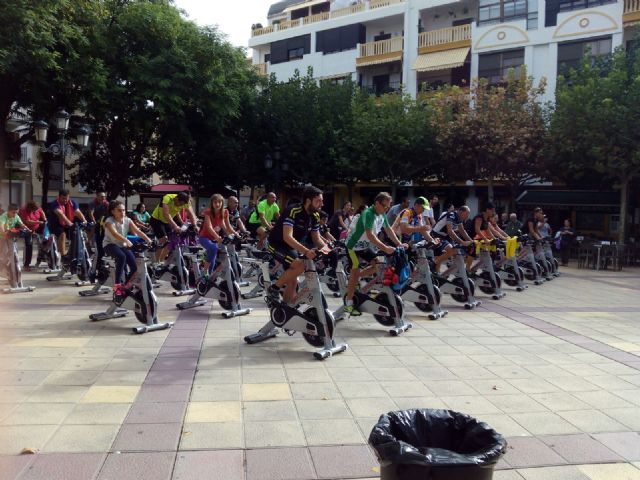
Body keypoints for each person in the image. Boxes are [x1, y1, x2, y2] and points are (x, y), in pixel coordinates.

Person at [344, 192, 407, 316]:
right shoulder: (368, 214)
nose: (387, 209)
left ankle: (355, 278)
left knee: (378, 265)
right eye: (385, 206)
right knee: (355, 269)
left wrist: (399, 244)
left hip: (365, 246)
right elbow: (370, 235)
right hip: (353, 246)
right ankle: (348, 303)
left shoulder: (381, 214)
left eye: (388, 207)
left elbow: (388, 230)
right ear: (377, 203)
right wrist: (385, 247)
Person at [266, 186, 330, 305]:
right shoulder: (293, 211)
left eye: (322, 201)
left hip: (291, 247)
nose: (322, 204)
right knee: (300, 265)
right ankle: (274, 289)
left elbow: (316, 238)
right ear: (308, 200)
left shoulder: (315, 216)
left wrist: (329, 250)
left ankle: (286, 308)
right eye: (318, 201)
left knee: (293, 281)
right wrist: (306, 251)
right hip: (277, 244)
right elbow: (287, 237)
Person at [103, 200, 151, 288]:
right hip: (109, 245)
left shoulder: (127, 220)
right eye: (119, 210)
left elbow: (138, 231)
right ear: (113, 211)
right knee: (122, 257)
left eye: (124, 210)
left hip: (122, 245)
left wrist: (148, 240)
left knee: (134, 267)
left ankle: (125, 286)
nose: (122, 212)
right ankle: (117, 285)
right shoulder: (109, 221)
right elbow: (114, 234)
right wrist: (126, 240)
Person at [150, 191, 198, 262]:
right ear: (176, 198)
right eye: (180, 204)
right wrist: (175, 226)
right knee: (164, 240)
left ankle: (161, 261)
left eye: (182, 205)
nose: (179, 206)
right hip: (157, 220)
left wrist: (194, 225)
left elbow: (191, 214)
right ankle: (156, 262)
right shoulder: (168, 198)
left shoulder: (185, 202)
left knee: (171, 241)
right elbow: (166, 214)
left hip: (166, 222)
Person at [199, 194, 234, 276]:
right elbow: (209, 227)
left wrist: (234, 234)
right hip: (204, 237)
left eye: (219, 202)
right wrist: (217, 237)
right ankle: (205, 272)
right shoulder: (208, 212)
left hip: (214, 239)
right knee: (213, 248)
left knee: (213, 260)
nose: (217, 204)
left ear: (222, 203)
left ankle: (208, 277)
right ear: (212, 203)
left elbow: (226, 226)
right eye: (215, 202)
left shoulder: (225, 212)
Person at [430, 205, 474, 271]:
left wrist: (471, 241)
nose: (467, 216)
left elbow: (462, 230)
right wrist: (462, 242)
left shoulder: (458, 218)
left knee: (440, 258)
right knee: (452, 251)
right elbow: (450, 231)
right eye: (466, 214)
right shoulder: (451, 215)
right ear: (461, 212)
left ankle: (438, 272)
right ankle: (433, 264)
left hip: (444, 236)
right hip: (436, 235)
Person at [47, 189, 88, 257]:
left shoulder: (72, 203)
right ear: (59, 197)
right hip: (55, 225)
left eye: (67, 198)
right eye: (63, 198)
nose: (65, 200)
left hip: (67, 225)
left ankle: (73, 253)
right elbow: (61, 214)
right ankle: (63, 256)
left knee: (77, 234)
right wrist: (69, 223)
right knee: (62, 234)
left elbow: (78, 212)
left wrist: (84, 220)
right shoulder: (55, 203)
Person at [19, 201, 47, 270]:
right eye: (33, 210)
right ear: (29, 208)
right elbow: (27, 221)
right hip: (27, 229)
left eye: (36, 210)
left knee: (44, 242)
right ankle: (26, 265)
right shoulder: (23, 210)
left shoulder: (37, 208)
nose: (35, 211)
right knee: (29, 245)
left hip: (37, 227)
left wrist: (45, 219)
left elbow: (41, 212)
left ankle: (42, 259)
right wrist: (38, 222)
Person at [88, 192, 109, 263]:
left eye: (104, 196)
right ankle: (88, 245)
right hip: (92, 222)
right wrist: (94, 221)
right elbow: (91, 213)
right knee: (93, 228)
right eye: (102, 196)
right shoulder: (93, 203)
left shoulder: (106, 203)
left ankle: (103, 253)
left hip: (101, 223)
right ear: (97, 196)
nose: (103, 198)